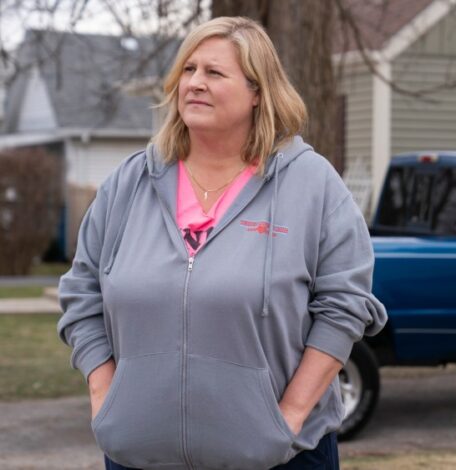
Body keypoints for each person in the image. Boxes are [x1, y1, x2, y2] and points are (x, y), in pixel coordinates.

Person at [57, 16, 387, 470]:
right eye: (188, 70)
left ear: (257, 92)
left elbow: (345, 304)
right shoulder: (129, 184)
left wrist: (286, 420)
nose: (195, 83)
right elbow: (82, 292)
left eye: (214, 73)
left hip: (281, 456)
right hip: (141, 455)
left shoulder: (312, 185)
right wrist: (105, 396)